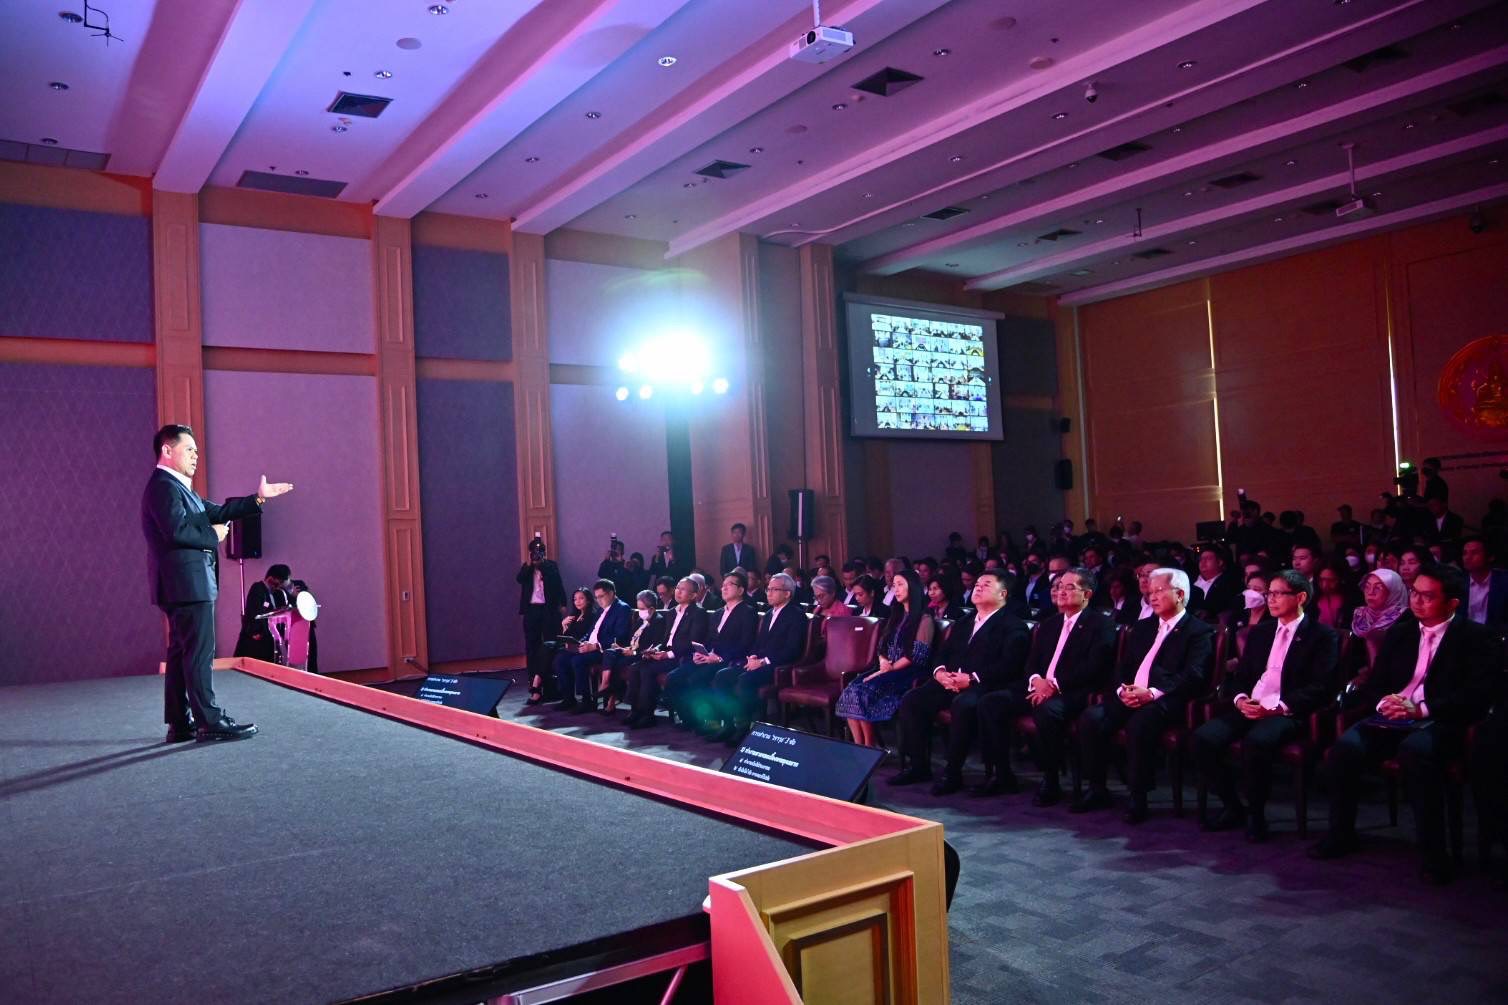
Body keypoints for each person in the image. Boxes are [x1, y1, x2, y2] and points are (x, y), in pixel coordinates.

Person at [1311, 564, 1498, 883]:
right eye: (1414, 593)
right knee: (1344, 749)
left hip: (1441, 719)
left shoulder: (1476, 637)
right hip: (1395, 715)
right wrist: (1385, 702)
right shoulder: (1401, 632)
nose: (1417, 601)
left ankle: (1435, 855)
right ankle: (1341, 834)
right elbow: (1376, 683)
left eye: (1428, 596)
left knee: (1416, 752)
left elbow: (1476, 695)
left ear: (1452, 603)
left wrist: (1421, 709)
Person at [141, 424, 292, 743]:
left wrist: (258, 499)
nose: (196, 455)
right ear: (167, 450)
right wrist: (212, 535)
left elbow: (220, 511)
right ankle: (209, 720)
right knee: (198, 653)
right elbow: (175, 531)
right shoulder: (164, 487)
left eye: (197, 450)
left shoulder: (179, 488)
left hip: (183, 585)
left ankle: (180, 723)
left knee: (182, 653)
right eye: (189, 449)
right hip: (187, 585)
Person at [1193, 570, 1338, 841]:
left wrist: (1278, 707)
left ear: (1300, 597)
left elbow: (1321, 687)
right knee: (1204, 738)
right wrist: (1240, 699)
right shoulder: (1260, 633)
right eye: (1268, 593)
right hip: (1252, 705)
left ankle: (1256, 815)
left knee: (1257, 742)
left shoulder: (1322, 635)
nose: (1270, 599)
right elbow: (1241, 677)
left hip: (1287, 711)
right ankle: (1233, 806)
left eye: (1278, 594)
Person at [1071, 568, 1215, 823]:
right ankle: (1097, 788)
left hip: (1166, 699)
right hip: (1131, 694)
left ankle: (1138, 796)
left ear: (1180, 594)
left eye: (1159, 591)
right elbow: (1123, 666)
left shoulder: (1198, 631)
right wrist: (1122, 689)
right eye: (1150, 591)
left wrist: (1152, 693)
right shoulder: (1143, 627)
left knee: (1140, 723)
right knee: (1091, 718)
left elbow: (1194, 674)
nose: (1152, 596)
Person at [975, 568, 1116, 804]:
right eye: (1059, 587)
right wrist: (1036, 680)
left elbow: (1094, 666)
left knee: (1047, 711)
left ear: (1087, 594)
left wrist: (1054, 685)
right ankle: (1001, 774)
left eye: (1069, 587)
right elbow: (1031, 662)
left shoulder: (1101, 624)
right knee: (991, 702)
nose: (1061, 591)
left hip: (1074, 691)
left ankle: (1051, 780)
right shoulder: (1050, 624)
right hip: (1038, 688)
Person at [889, 571, 1031, 795]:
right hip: (951, 681)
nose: (978, 587)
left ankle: (952, 773)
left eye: (986, 585)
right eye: (977, 584)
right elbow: (943, 653)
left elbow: (1009, 666)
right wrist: (940, 672)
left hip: (986, 685)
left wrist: (972, 678)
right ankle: (918, 766)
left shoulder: (1013, 625)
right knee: (913, 700)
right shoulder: (965, 621)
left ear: (1003, 594)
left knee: (963, 704)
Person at [707, 573, 809, 744]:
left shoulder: (796, 615)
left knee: (744, 681)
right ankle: (728, 725)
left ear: (787, 593)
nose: (769, 593)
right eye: (768, 589)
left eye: (774, 589)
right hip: (759, 662)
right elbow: (758, 643)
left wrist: (763, 661)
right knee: (722, 676)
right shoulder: (769, 614)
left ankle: (743, 728)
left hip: (778, 666)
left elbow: (792, 650)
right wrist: (752, 656)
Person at [837, 570, 932, 748]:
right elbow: (882, 645)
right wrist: (882, 661)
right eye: (894, 585)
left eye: (901, 584)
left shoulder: (924, 619)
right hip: (886, 667)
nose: (896, 589)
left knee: (862, 693)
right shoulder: (896, 614)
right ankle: (859, 746)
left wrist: (890, 668)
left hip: (907, 672)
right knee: (851, 689)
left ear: (913, 587)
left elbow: (917, 655)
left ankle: (869, 747)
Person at [664, 572, 758, 730]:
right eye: (723, 585)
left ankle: (717, 723)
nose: (724, 588)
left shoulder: (748, 612)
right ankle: (690, 720)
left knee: (697, 678)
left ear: (741, 590)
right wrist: (701, 653)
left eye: (729, 585)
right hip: (710, 658)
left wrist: (719, 658)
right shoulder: (718, 613)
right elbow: (708, 640)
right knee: (674, 677)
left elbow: (745, 644)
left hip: (729, 659)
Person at [624, 577, 707, 728]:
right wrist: (656, 649)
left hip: (682, 657)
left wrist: (667, 654)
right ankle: (635, 711)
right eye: (677, 588)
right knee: (635, 667)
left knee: (647, 670)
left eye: (683, 589)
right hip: (666, 654)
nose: (678, 592)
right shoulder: (671, 612)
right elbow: (665, 640)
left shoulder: (698, 613)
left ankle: (648, 715)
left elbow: (693, 641)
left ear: (694, 595)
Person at [557, 579, 632, 713]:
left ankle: (586, 701)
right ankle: (568, 698)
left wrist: (595, 646)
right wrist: (582, 642)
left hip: (605, 650)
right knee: (561, 658)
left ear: (611, 593)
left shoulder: (622, 608)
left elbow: (620, 636)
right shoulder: (601, 610)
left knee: (578, 660)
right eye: (596, 597)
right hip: (591, 647)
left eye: (601, 596)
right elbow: (591, 632)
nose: (598, 600)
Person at [596, 590, 666, 716]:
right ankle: (605, 685)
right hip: (630, 650)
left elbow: (651, 646)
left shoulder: (658, 621)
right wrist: (623, 647)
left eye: (642, 609)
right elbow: (632, 639)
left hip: (640, 655)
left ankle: (616, 696)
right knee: (609, 652)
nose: (639, 612)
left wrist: (633, 651)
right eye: (638, 608)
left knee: (619, 665)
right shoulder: (640, 620)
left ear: (651, 609)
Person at [528, 587, 595, 705]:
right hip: (568, 645)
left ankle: (537, 684)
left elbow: (589, 636)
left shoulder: (592, 616)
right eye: (575, 599)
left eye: (581, 598)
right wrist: (564, 626)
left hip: (580, 646)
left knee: (550, 652)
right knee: (546, 647)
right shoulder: (574, 615)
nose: (577, 602)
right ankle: (540, 683)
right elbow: (566, 635)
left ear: (588, 600)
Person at [517, 536, 566, 666]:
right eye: (534, 552)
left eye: (539, 552)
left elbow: (558, 584)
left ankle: (551, 671)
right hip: (532, 610)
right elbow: (519, 579)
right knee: (532, 643)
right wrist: (530, 565)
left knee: (551, 641)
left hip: (548, 609)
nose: (537, 555)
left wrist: (563, 603)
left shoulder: (551, 566)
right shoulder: (527, 567)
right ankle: (533, 673)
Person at [233, 563, 292, 662]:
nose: (280, 585)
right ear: (271, 578)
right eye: (280, 581)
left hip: (269, 642)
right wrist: (257, 631)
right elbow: (254, 611)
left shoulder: (277, 593)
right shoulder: (258, 588)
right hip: (255, 640)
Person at [1350, 569, 1408, 669]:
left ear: (1393, 591)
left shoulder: (1405, 619)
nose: (1370, 592)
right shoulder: (1360, 614)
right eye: (1367, 587)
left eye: (1378, 588)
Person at [1460, 536, 1508, 628]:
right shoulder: (1458, 582)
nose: (1467, 557)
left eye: (1474, 553)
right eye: (1465, 553)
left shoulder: (1504, 581)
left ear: (1490, 557)